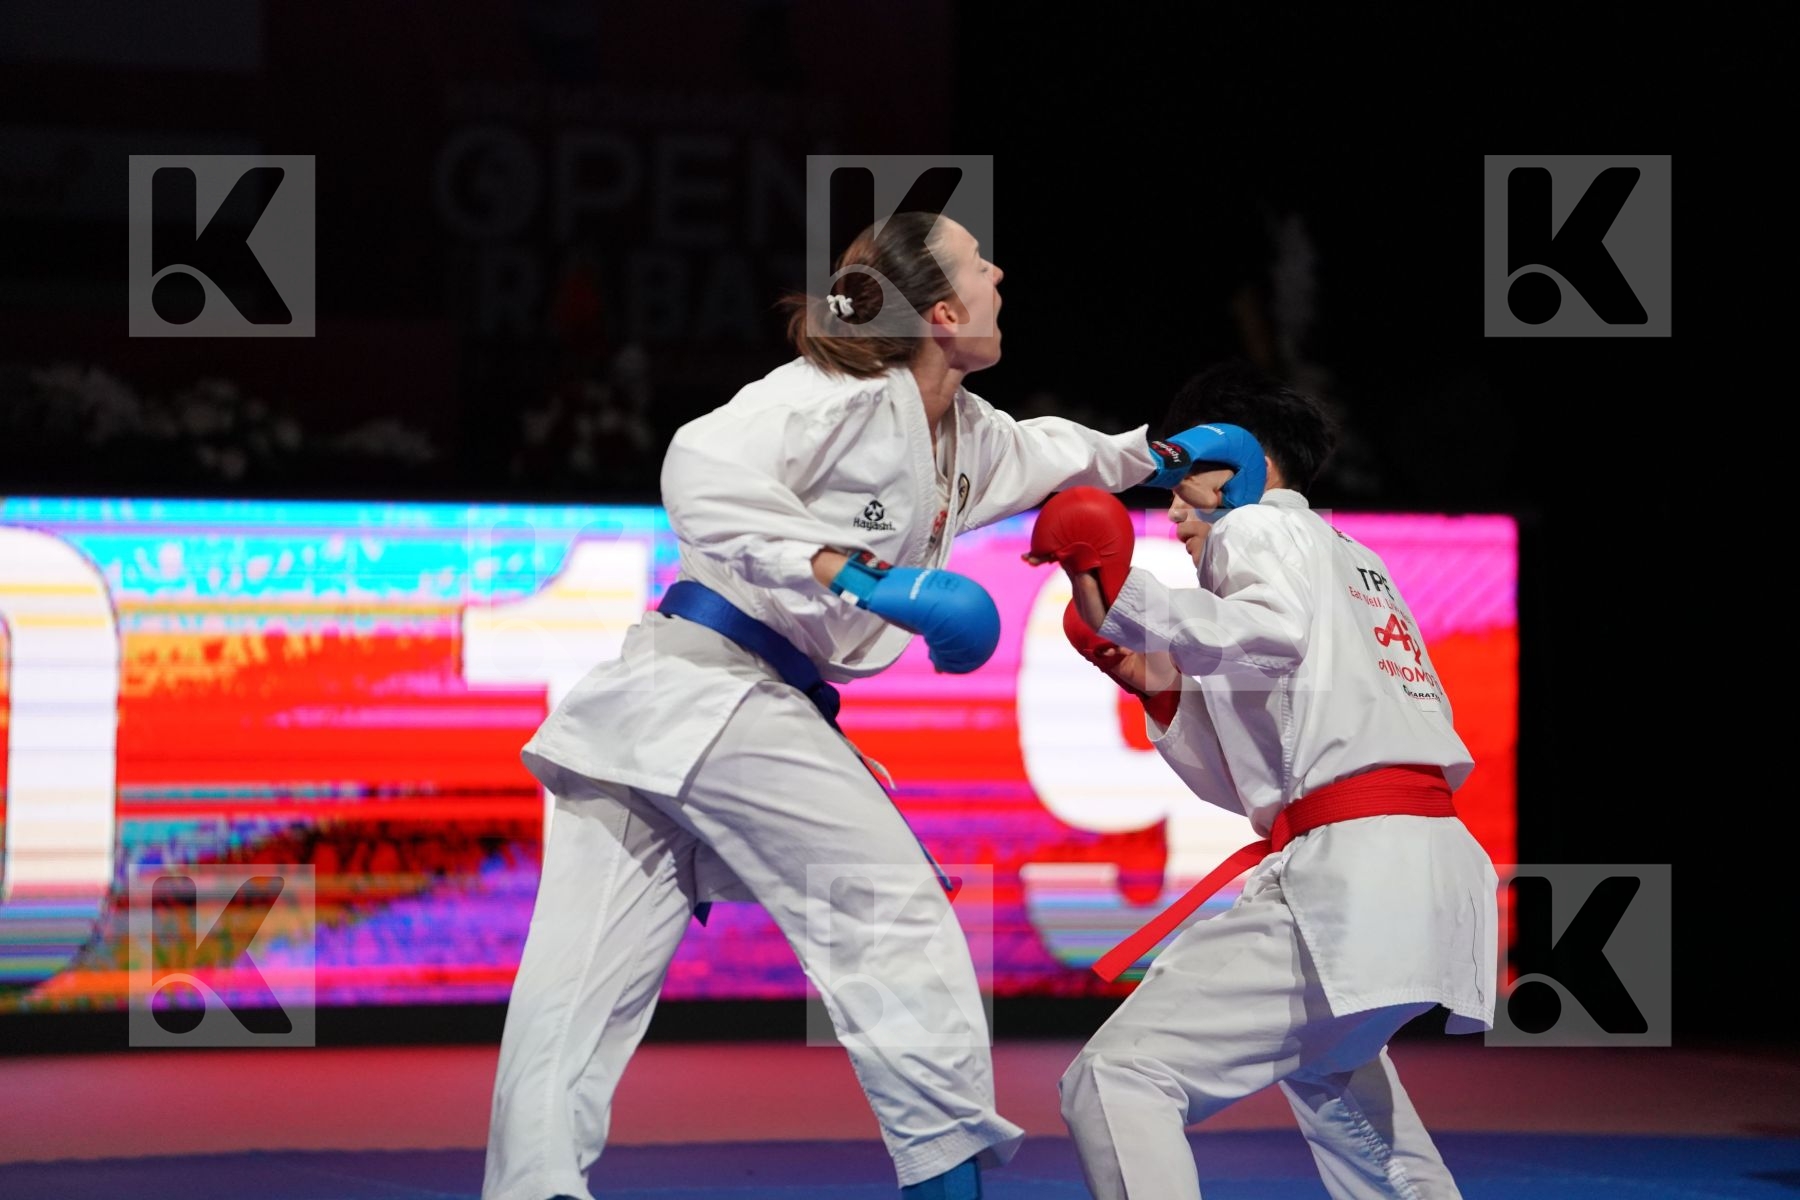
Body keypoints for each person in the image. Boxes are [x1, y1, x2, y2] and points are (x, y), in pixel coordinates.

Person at [480, 210, 1255, 1200]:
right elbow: (696, 465)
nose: (1000, 271)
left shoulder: (970, 438)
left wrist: (1167, 455)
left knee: (574, 996)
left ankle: (532, 1187)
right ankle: (946, 1182)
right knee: (898, 921)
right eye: (980, 264)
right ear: (939, 310)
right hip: (717, 685)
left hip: (691, 709)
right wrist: (860, 575)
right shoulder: (831, 394)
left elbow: (1068, 454)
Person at [1030, 361, 1498, 1200]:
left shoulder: (1261, 531)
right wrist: (1160, 687)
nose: (1171, 509)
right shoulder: (1348, 562)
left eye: (1182, 478)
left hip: (1355, 870)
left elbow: (1268, 634)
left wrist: (1123, 591)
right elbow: (1258, 778)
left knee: (1118, 1080)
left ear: (1243, 459)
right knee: (1333, 1085)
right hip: (1419, 866)